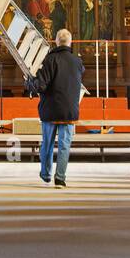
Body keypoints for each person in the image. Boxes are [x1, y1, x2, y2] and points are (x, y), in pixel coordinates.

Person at [26, 28, 84, 187]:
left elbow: (41, 86)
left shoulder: (50, 59)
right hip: (69, 111)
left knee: (47, 144)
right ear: (70, 42)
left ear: (56, 42)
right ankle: (60, 178)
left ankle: (45, 175)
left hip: (51, 110)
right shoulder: (77, 61)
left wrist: (30, 83)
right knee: (65, 145)